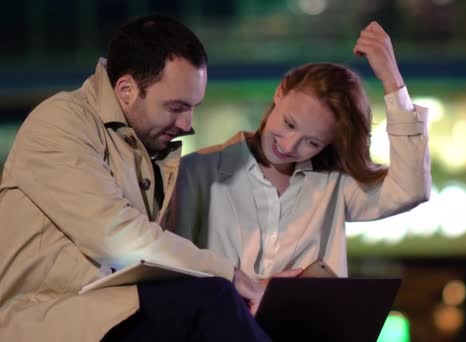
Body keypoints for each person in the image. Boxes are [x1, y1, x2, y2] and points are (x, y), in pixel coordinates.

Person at [0, 15, 271, 341]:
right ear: (126, 90)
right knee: (214, 297)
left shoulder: (145, 147)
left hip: (107, 310)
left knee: (243, 310)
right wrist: (230, 274)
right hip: (49, 319)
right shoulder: (60, 122)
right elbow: (114, 235)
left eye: (193, 108)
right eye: (175, 107)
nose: (187, 123)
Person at [169, 21, 431, 279]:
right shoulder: (196, 172)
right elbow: (174, 271)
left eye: (312, 142)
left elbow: (410, 189)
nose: (290, 145)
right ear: (280, 91)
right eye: (289, 123)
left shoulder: (335, 186)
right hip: (221, 322)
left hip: (315, 323)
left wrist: (391, 78)